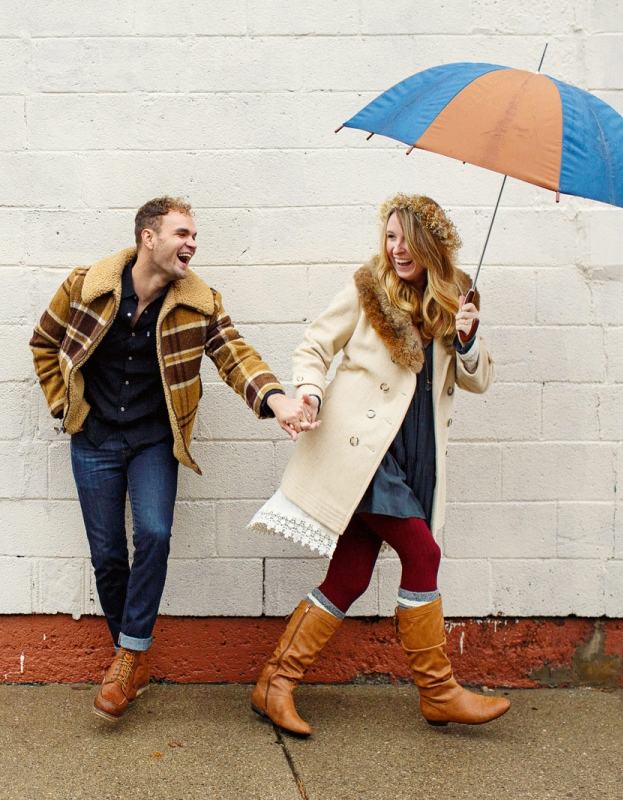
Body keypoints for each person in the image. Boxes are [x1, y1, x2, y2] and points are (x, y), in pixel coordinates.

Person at [29, 197, 312, 721]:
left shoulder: (199, 303)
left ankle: (128, 656)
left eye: (194, 236)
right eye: (182, 234)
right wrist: (64, 404)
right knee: (107, 555)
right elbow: (44, 342)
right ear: (149, 238)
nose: (192, 244)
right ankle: (131, 660)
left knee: (155, 533)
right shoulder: (86, 287)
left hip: (154, 441)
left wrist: (276, 400)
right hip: (93, 439)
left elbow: (235, 355)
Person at [247, 193, 507, 735]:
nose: (397, 249)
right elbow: (315, 345)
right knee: (422, 551)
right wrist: (310, 392)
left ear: (432, 244)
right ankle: (438, 692)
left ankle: (274, 683)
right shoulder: (368, 289)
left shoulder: (456, 298)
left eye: (407, 239)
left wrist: (466, 339)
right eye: (390, 237)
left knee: (349, 576)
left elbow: (479, 380)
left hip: (413, 454)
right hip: (363, 451)